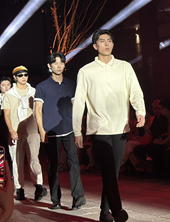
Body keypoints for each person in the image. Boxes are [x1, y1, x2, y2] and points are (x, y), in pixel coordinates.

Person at [73, 29, 146, 222]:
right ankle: (117, 210)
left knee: (112, 173)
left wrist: (140, 111)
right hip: (98, 128)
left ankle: (104, 213)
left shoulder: (124, 67)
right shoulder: (86, 71)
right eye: (102, 40)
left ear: (113, 44)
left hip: (121, 127)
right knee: (107, 170)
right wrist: (77, 130)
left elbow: (135, 92)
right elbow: (79, 102)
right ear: (95, 46)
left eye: (109, 40)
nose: (106, 44)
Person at [35, 51, 86, 210]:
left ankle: (78, 197)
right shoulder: (42, 87)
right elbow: (37, 110)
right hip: (51, 131)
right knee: (53, 165)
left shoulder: (71, 84)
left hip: (69, 128)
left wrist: (78, 129)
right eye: (55, 63)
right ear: (49, 66)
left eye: (61, 63)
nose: (59, 66)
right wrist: (41, 130)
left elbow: (76, 107)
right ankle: (55, 200)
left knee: (74, 162)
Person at [3, 66, 46, 202]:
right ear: (15, 77)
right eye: (20, 75)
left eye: (25, 75)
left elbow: (39, 111)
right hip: (16, 132)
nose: (23, 77)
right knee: (17, 161)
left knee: (34, 159)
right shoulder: (9, 94)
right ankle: (19, 188)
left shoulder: (34, 92)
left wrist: (41, 129)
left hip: (32, 130)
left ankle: (39, 186)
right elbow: (7, 114)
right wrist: (11, 130)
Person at [0, 77, 13, 174]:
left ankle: (10, 174)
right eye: (3, 85)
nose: (6, 87)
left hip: (11, 127)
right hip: (1, 128)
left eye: (8, 85)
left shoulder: (14, 97)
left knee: (10, 152)